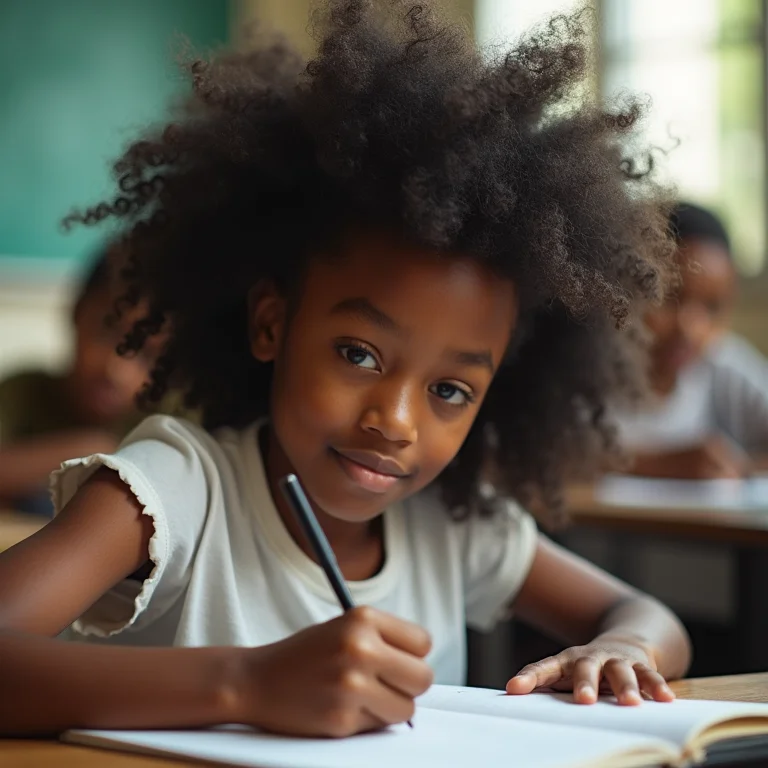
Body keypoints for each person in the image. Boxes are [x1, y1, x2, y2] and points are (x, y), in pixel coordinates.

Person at [0, 1, 690, 737]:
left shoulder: (452, 525)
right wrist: (245, 684)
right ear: (272, 324)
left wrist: (623, 647)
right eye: (358, 354)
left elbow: (650, 618)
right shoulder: (176, 489)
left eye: (449, 391)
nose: (394, 421)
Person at [0, 246, 164, 516]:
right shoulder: (21, 393)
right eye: (106, 332)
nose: (116, 369)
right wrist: (89, 449)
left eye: (146, 355)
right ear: (76, 313)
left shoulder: (169, 421)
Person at [615, 202, 768, 479]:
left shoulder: (723, 364)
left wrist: (741, 469)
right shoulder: (589, 367)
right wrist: (658, 466)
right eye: (669, 298)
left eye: (712, 307)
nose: (691, 328)